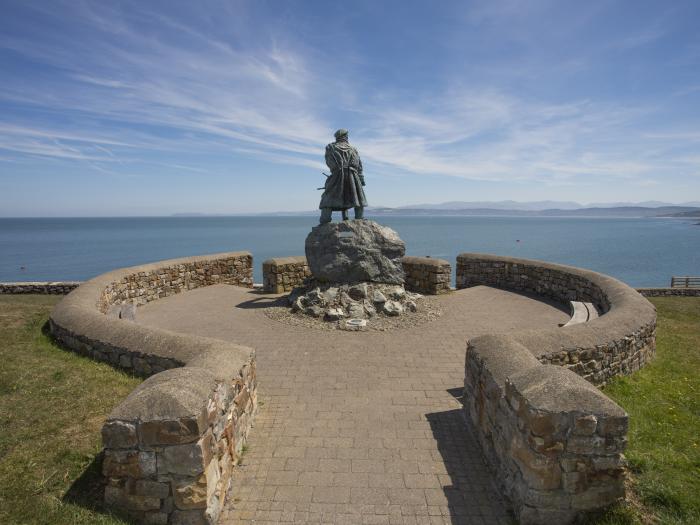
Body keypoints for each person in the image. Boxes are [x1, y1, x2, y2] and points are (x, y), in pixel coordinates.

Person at [318, 129, 367, 224]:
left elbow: (329, 162)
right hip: (353, 176)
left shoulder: (330, 147)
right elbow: (359, 165)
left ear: (337, 137)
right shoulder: (353, 149)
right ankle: (359, 218)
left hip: (337, 175)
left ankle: (325, 221)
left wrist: (336, 170)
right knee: (357, 198)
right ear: (346, 136)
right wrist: (361, 179)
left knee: (328, 198)